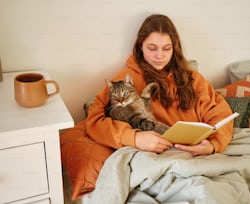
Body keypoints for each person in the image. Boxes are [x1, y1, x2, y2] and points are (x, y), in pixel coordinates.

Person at [86, 14, 234, 156]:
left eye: (167, 48)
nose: (160, 55)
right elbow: (95, 120)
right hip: (158, 155)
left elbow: (220, 112)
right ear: (140, 47)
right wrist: (135, 138)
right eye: (152, 48)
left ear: (174, 48)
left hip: (197, 153)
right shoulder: (127, 80)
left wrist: (213, 145)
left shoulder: (192, 77)